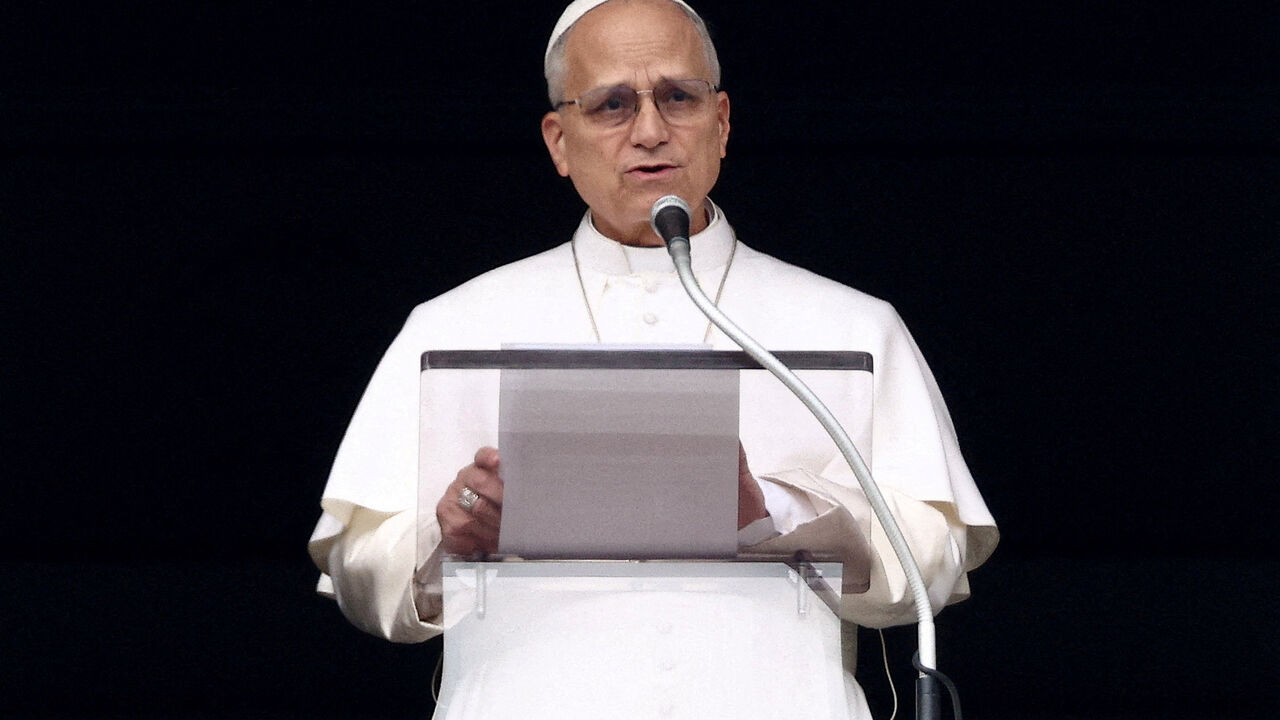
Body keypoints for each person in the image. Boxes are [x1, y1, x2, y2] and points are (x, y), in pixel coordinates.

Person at [308, 0, 998, 716]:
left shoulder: (852, 324)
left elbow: (936, 563)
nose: (649, 130)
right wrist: (447, 539)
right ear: (559, 141)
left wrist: (773, 515)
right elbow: (360, 578)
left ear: (723, 123)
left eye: (677, 97)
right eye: (610, 104)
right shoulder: (452, 326)